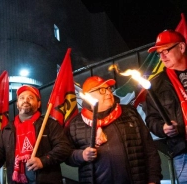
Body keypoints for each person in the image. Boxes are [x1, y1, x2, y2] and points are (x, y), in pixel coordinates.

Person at [66, 76, 162, 184]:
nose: (108, 93)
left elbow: (149, 149)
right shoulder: (76, 123)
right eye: (102, 90)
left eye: (109, 88)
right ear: (88, 95)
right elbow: (67, 155)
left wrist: (153, 179)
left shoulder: (129, 113)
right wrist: (81, 155)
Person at [0, 85, 71, 184]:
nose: (25, 100)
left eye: (30, 97)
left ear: (38, 104)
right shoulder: (7, 130)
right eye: (22, 98)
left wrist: (43, 161)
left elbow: (64, 148)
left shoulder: (49, 124)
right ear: (17, 104)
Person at [143, 29, 187, 183]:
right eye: (159, 53)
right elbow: (151, 119)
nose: (162, 56)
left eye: (166, 50)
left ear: (181, 47)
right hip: (183, 150)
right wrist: (163, 128)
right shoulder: (156, 85)